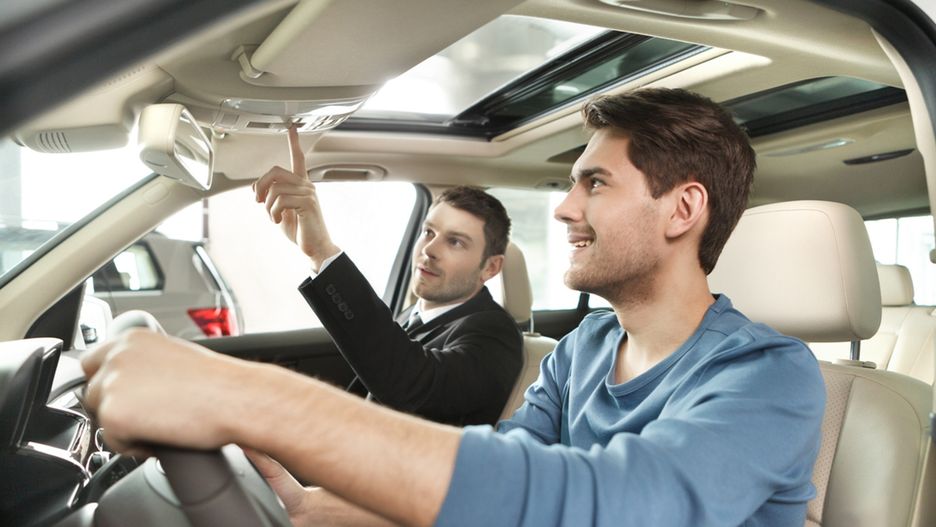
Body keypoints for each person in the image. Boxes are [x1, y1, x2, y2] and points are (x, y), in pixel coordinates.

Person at [82, 88, 826, 527]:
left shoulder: (770, 377)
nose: (564, 207)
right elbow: (509, 480)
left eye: (595, 183)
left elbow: (611, 504)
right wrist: (316, 509)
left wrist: (247, 398)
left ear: (682, 209)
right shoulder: (585, 348)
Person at [253, 129, 522, 425]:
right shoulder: (412, 316)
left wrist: (321, 251)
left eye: (455, 241)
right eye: (429, 232)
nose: (429, 249)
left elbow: (411, 383)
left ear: (490, 267)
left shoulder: (496, 335)